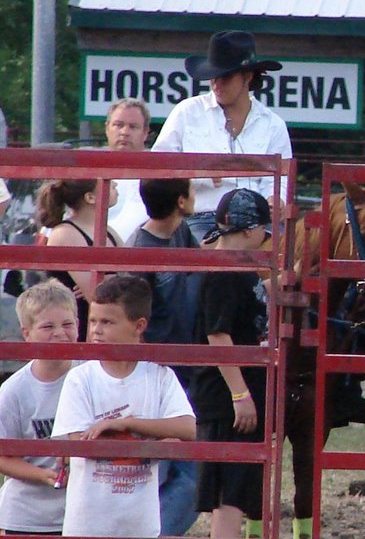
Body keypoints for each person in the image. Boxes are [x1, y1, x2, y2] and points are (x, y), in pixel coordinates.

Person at [51, 275, 196, 538]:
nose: (96, 330)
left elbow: (187, 427)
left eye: (107, 322)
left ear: (139, 325)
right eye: (93, 320)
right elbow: (79, 443)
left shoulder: (159, 375)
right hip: (88, 524)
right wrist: (154, 442)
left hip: (140, 525)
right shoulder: (81, 378)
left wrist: (126, 423)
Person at [152, 31, 292, 243]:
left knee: (289, 253)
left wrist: (275, 199)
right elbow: (157, 170)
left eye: (225, 77)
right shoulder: (187, 112)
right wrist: (196, 173)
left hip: (257, 223)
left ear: (247, 76)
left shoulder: (273, 125)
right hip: (200, 217)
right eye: (213, 77)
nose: (216, 84)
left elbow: (281, 179)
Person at [191, 189, 272, 539]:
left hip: (236, 391)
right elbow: (218, 336)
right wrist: (240, 395)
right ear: (252, 230)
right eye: (265, 231)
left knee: (236, 488)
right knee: (229, 491)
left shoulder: (237, 267)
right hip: (228, 396)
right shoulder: (224, 271)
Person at [129, 177, 202, 536]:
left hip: (183, 369)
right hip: (156, 372)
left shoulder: (183, 233)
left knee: (185, 470)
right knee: (179, 472)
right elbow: (131, 321)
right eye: (190, 192)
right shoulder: (141, 251)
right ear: (181, 201)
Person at [0, 280, 78, 535]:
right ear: (26, 333)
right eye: (47, 326)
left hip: (83, 513)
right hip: (27, 518)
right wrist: (43, 475)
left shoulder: (90, 375)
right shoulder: (14, 390)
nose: (59, 333)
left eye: (68, 324)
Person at [36, 179, 122, 341]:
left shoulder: (109, 231)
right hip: (76, 334)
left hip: (107, 331)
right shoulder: (65, 233)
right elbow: (98, 296)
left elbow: (132, 280)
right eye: (108, 184)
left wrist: (108, 280)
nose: (116, 184)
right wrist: (112, 281)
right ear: (90, 197)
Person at [105, 98, 152, 240]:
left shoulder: (157, 176)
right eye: (118, 125)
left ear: (145, 132)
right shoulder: (86, 173)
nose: (124, 132)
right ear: (107, 128)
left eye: (133, 127)